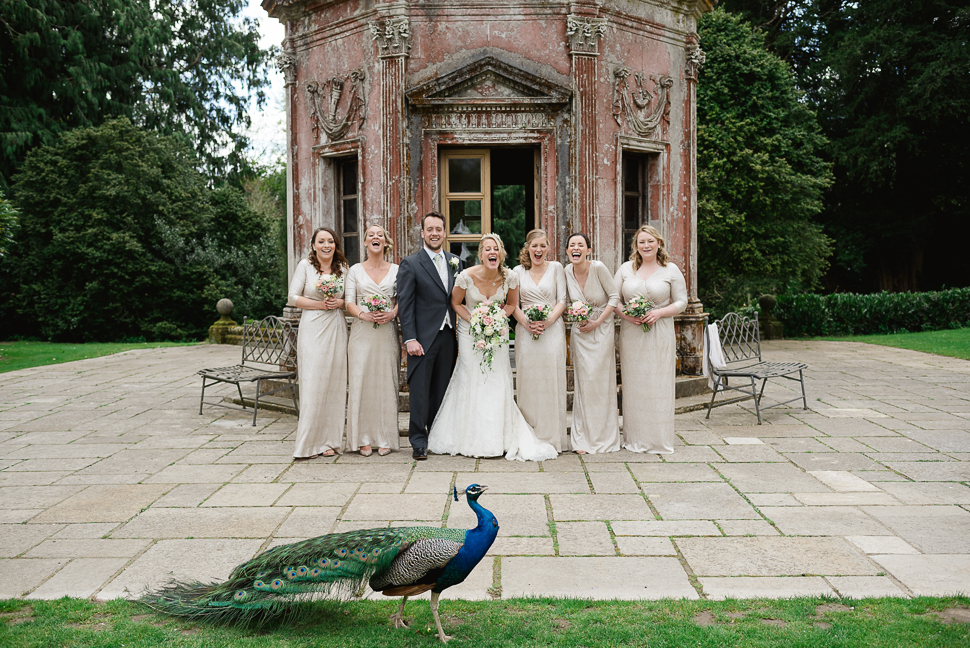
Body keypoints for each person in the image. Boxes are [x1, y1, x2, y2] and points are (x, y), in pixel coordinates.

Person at [428, 233, 557, 462]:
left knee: (497, 379)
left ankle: (499, 437)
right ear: (481, 254)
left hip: (497, 332)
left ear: (501, 253)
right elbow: (456, 303)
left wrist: (496, 317)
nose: (492, 252)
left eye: (496, 249)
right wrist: (475, 320)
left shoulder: (511, 277)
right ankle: (468, 436)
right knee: (471, 377)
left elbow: (511, 305)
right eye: (487, 249)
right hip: (470, 332)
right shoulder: (466, 276)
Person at [614, 225, 687, 454]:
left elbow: (681, 302)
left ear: (659, 243)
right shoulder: (626, 269)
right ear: (636, 245)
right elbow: (613, 299)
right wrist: (626, 315)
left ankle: (658, 439)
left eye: (650, 241)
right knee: (634, 384)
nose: (646, 246)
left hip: (660, 333)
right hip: (632, 334)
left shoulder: (671, 270)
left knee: (658, 384)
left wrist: (659, 312)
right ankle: (634, 438)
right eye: (641, 242)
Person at [397, 212, 461, 461]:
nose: (435, 233)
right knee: (420, 391)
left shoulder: (455, 261)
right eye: (430, 229)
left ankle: (437, 436)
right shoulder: (410, 263)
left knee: (442, 390)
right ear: (422, 233)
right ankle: (418, 441)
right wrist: (410, 338)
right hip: (422, 338)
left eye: (439, 229)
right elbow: (405, 303)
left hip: (448, 335)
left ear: (445, 232)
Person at [288, 227, 349, 458]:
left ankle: (329, 442)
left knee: (334, 383)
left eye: (330, 241)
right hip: (312, 328)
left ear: (336, 245)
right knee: (313, 384)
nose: (326, 245)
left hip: (335, 327)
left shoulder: (343, 268)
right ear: (313, 245)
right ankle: (308, 444)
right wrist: (320, 304)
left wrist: (339, 303)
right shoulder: (305, 266)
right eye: (321, 241)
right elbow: (292, 297)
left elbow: (350, 299)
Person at [345, 224, 400, 457]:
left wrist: (392, 313)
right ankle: (363, 438)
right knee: (361, 382)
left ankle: (385, 436)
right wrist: (362, 314)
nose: (375, 237)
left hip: (387, 333)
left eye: (380, 235)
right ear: (366, 243)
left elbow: (403, 299)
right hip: (361, 333)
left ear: (385, 242)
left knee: (386, 382)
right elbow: (348, 302)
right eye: (370, 235)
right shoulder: (355, 270)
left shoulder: (398, 269)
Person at [564, 233, 621, 454]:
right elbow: (567, 301)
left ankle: (603, 437)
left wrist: (597, 321)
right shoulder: (567, 271)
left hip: (602, 329)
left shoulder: (598, 268)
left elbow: (614, 297)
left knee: (600, 382)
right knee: (584, 383)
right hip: (579, 332)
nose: (576, 248)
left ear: (589, 250)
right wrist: (576, 316)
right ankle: (583, 439)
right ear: (568, 251)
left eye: (580, 245)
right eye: (571, 245)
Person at [512, 229, 568, 453]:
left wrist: (547, 322)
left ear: (548, 247)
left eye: (542, 245)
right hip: (525, 333)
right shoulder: (517, 271)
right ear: (527, 247)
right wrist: (527, 323)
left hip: (552, 331)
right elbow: (513, 304)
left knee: (551, 380)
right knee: (528, 382)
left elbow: (562, 300)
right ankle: (529, 433)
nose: (538, 250)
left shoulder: (556, 268)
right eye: (534, 246)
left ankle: (552, 437)